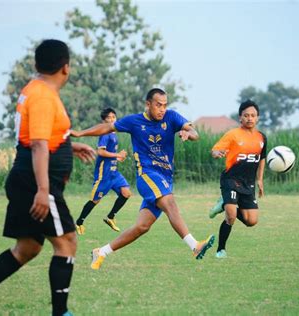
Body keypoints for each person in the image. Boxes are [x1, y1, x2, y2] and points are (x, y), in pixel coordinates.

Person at [0, 39, 95, 316]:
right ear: (66, 68)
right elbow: (39, 144)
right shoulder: (44, 96)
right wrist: (43, 190)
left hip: (24, 178)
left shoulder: (33, 89)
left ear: (36, 65)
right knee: (67, 241)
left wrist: (69, 144)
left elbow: (42, 137)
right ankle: (61, 312)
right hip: (36, 182)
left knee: (29, 246)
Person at [71, 88, 215, 270]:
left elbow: (194, 133)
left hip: (165, 178)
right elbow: (107, 127)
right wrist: (79, 133)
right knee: (170, 203)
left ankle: (101, 252)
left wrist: (188, 133)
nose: (162, 109)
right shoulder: (134, 121)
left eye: (164, 105)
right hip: (147, 175)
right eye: (158, 105)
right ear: (148, 104)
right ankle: (195, 246)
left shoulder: (171, 117)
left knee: (142, 227)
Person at [209, 100, 266, 259]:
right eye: (246, 115)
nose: (250, 118)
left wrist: (260, 180)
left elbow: (262, 158)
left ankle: (224, 204)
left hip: (248, 184)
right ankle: (221, 250)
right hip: (231, 179)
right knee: (231, 216)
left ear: (258, 118)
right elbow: (215, 149)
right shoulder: (233, 134)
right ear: (240, 117)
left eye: (253, 115)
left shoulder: (261, 138)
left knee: (251, 221)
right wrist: (217, 154)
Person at [75, 108, 132, 235]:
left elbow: (111, 154)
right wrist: (117, 155)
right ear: (104, 121)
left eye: (114, 117)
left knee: (126, 193)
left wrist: (118, 157)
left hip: (114, 173)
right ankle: (79, 222)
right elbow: (100, 152)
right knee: (95, 201)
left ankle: (110, 217)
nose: (112, 119)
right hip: (104, 174)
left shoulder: (113, 133)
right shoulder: (105, 133)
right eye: (109, 117)